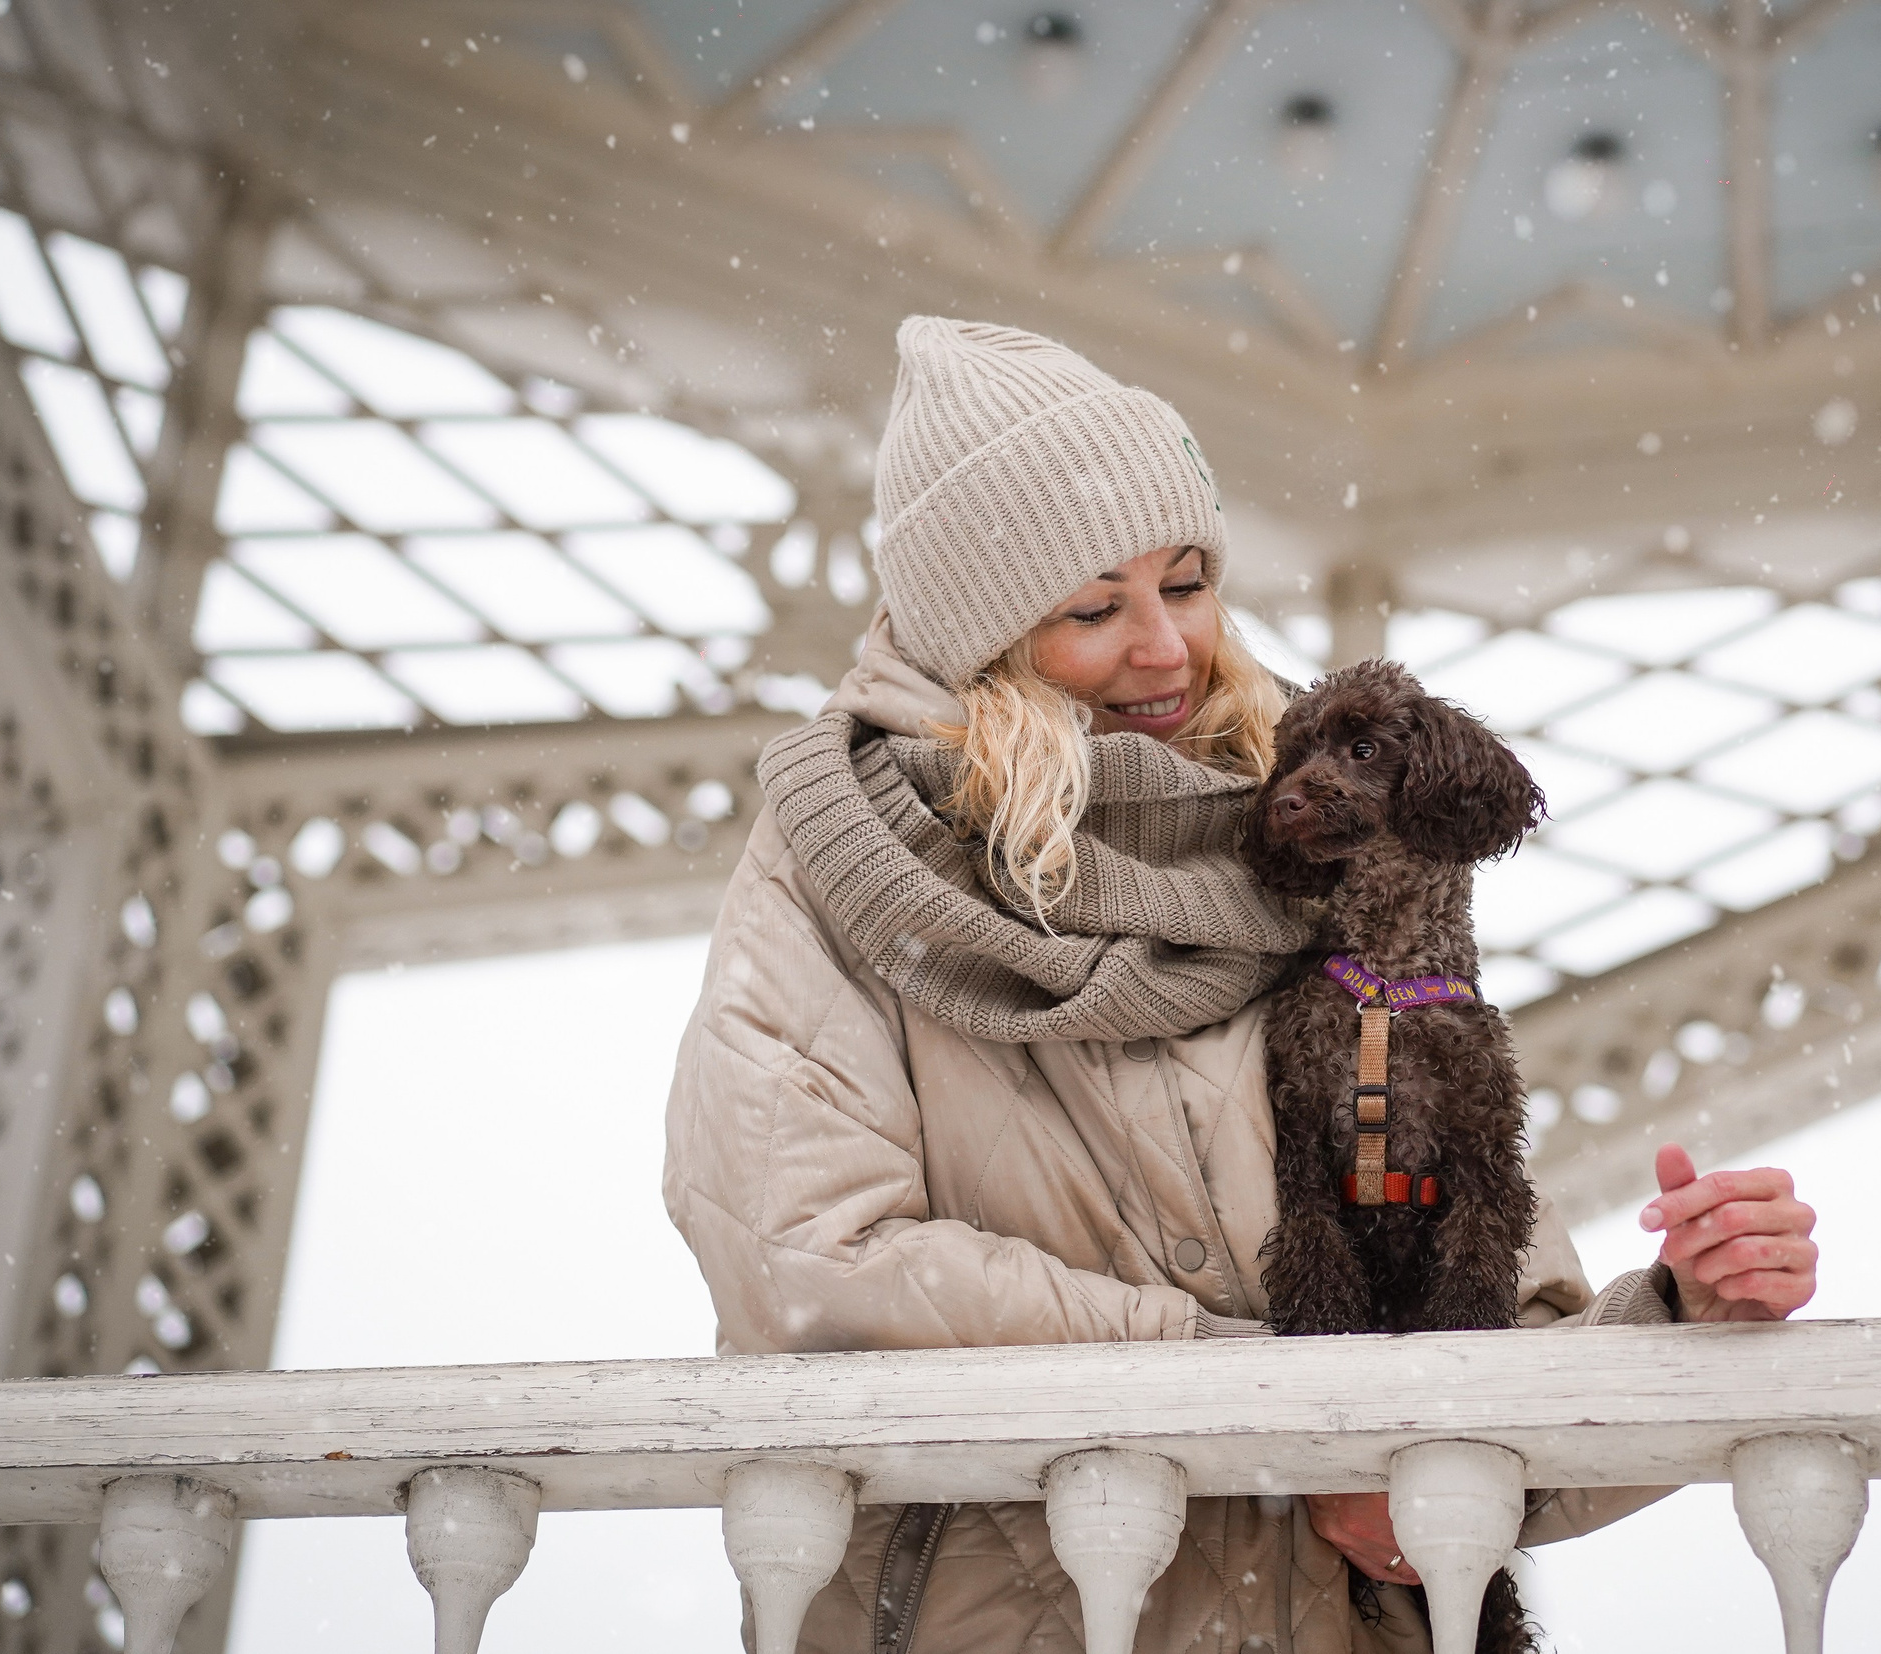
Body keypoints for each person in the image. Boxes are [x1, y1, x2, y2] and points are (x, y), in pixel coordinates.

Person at [664, 316, 1820, 1654]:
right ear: (977, 634)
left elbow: (1483, 1313)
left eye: (1190, 581)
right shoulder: (835, 867)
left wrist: (1680, 1307)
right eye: (1095, 607)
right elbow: (810, 1268)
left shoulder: (1313, 849)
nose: (1169, 648)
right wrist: (1266, 1402)